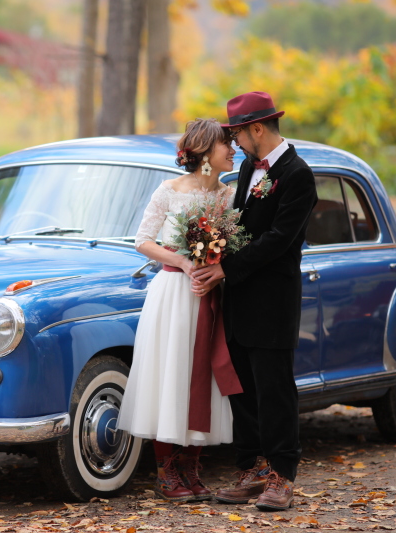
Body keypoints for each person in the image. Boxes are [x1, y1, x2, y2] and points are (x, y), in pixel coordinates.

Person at [191, 92, 318, 511]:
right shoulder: (248, 168)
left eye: (237, 134)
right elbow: (241, 226)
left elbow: (281, 240)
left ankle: (282, 476)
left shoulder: (298, 174)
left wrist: (226, 268)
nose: (235, 143)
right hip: (239, 298)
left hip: (274, 300)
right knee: (241, 387)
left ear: (257, 129)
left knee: (274, 389)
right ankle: (252, 470)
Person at [118, 118, 242, 502]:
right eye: (227, 145)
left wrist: (217, 273)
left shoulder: (227, 196)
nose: (233, 151)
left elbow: (233, 247)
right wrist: (186, 263)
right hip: (173, 292)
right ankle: (167, 472)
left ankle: (191, 466)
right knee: (170, 373)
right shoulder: (169, 190)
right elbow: (143, 241)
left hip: (209, 295)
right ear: (206, 151)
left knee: (203, 374)